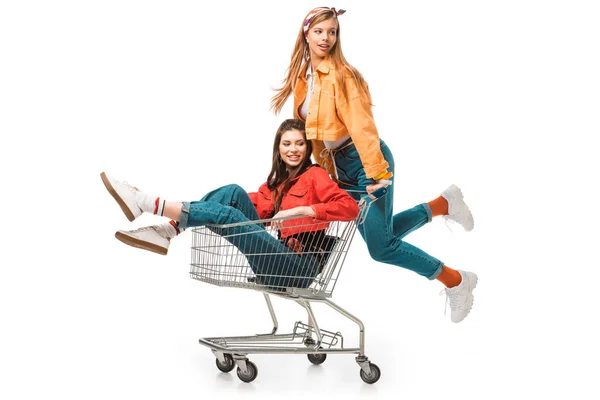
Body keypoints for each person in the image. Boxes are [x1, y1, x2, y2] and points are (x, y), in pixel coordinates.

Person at [271, 7, 478, 322]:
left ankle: (456, 281)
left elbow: (361, 125)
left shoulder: (341, 74)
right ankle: (442, 204)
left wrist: (377, 172)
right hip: (338, 168)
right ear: (306, 33)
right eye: (320, 31)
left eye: (333, 31)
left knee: (381, 248)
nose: (327, 38)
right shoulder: (304, 76)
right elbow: (308, 133)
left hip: (364, 160)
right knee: (381, 236)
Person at [100, 119, 359, 289]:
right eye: (287, 143)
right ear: (278, 148)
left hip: (299, 267)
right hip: (274, 259)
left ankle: (146, 203)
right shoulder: (273, 186)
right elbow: (239, 206)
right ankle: (168, 231)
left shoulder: (315, 175)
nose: (294, 149)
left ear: (308, 147)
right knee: (232, 193)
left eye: (300, 144)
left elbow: (350, 208)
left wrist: (303, 209)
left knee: (225, 214)